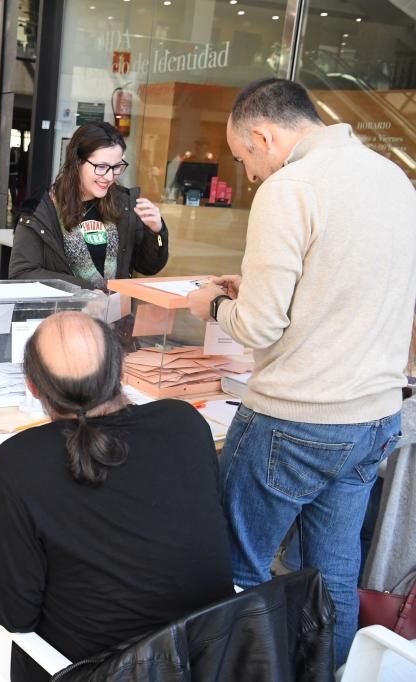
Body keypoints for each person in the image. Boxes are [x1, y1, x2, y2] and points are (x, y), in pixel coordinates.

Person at [187, 78, 416, 667]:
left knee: (232, 569)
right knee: (332, 573)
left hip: (297, 417)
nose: (251, 175)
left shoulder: (291, 188)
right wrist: (258, 293)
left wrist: (210, 304)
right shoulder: (393, 177)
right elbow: (347, 286)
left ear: (263, 135)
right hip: (375, 416)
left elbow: (259, 328)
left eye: (245, 159)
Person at [0, 312, 233, 681]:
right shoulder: (184, 421)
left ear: (32, 386)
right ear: (121, 370)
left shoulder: (19, 462)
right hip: (208, 654)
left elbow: (14, 614)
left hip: (94, 671)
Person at [9, 121, 168, 291]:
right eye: (101, 167)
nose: (109, 177)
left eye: (116, 167)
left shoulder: (124, 204)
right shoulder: (41, 209)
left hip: (114, 316)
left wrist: (155, 231)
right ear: (77, 162)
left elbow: (148, 267)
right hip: (63, 315)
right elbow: (22, 274)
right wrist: (86, 291)